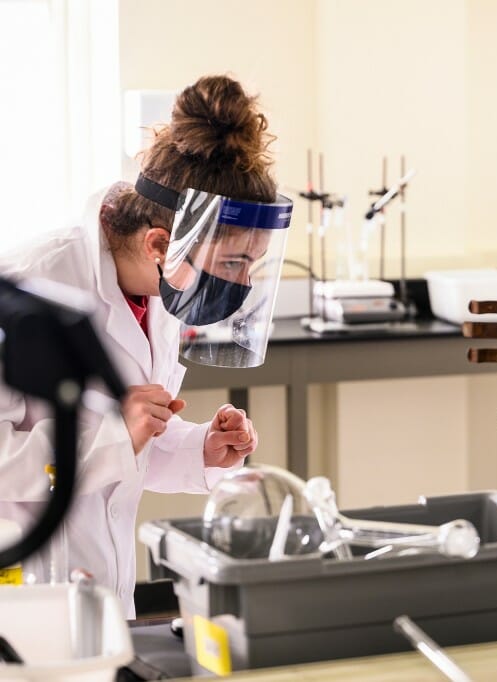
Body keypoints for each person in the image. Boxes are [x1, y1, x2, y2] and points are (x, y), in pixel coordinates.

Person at [0, 75, 293, 615]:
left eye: (252, 265)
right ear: (160, 243)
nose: (243, 284)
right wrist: (116, 434)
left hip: (101, 588)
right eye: (233, 263)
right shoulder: (28, 287)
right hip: (23, 586)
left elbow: (131, 446)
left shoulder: (161, 290)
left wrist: (197, 447)